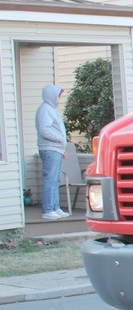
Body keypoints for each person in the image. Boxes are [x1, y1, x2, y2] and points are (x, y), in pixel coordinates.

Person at [36, 84, 69, 220]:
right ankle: (48, 209)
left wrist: (62, 148)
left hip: (56, 149)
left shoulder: (52, 109)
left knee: (55, 180)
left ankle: (55, 207)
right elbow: (45, 130)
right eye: (57, 95)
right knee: (50, 179)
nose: (58, 98)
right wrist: (61, 139)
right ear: (51, 95)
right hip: (50, 148)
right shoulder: (45, 109)